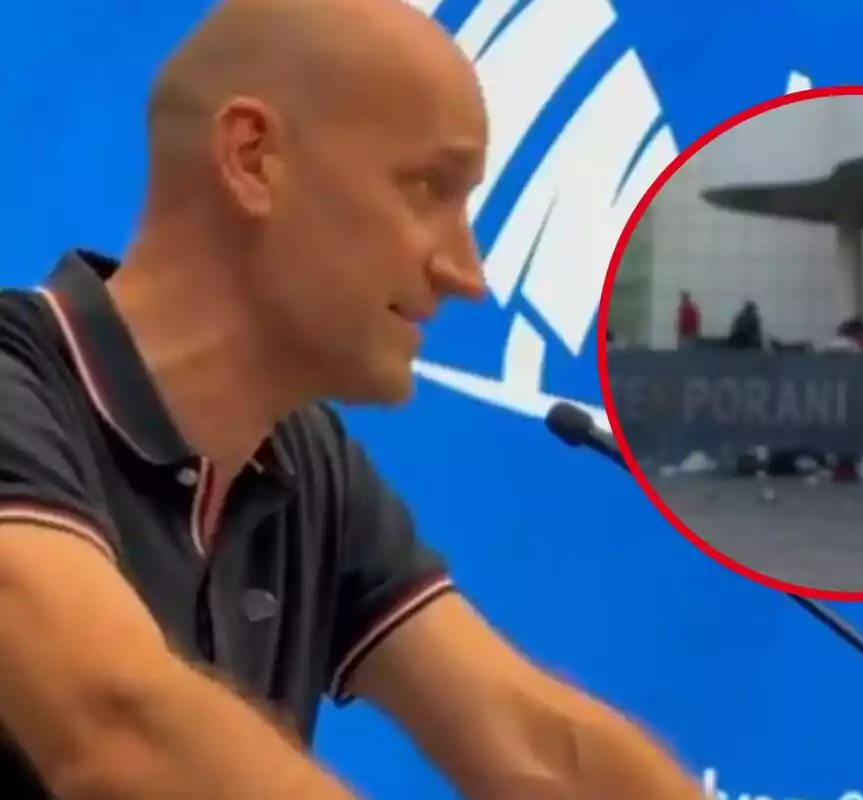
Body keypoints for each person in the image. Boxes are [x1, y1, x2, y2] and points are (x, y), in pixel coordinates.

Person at [0, 1, 700, 798]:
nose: (467, 274)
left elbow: (531, 740)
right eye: (428, 187)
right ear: (252, 157)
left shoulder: (305, 463)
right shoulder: (13, 380)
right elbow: (117, 727)